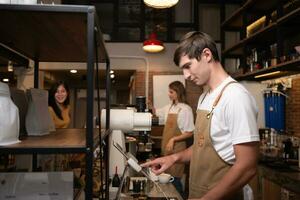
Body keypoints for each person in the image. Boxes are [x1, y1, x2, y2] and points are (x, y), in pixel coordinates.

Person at [142, 31, 260, 200]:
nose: (186, 75)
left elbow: (247, 166)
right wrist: (173, 158)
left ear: (206, 55)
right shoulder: (205, 97)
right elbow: (201, 147)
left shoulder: (235, 96)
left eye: (187, 66)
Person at [151, 81, 195, 198]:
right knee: (167, 180)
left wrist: (173, 139)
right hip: (167, 149)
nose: (169, 94)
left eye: (171, 92)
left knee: (174, 180)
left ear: (178, 92)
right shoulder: (169, 107)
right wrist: (150, 104)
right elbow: (156, 112)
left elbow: (190, 132)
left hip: (178, 150)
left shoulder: (185, 109)